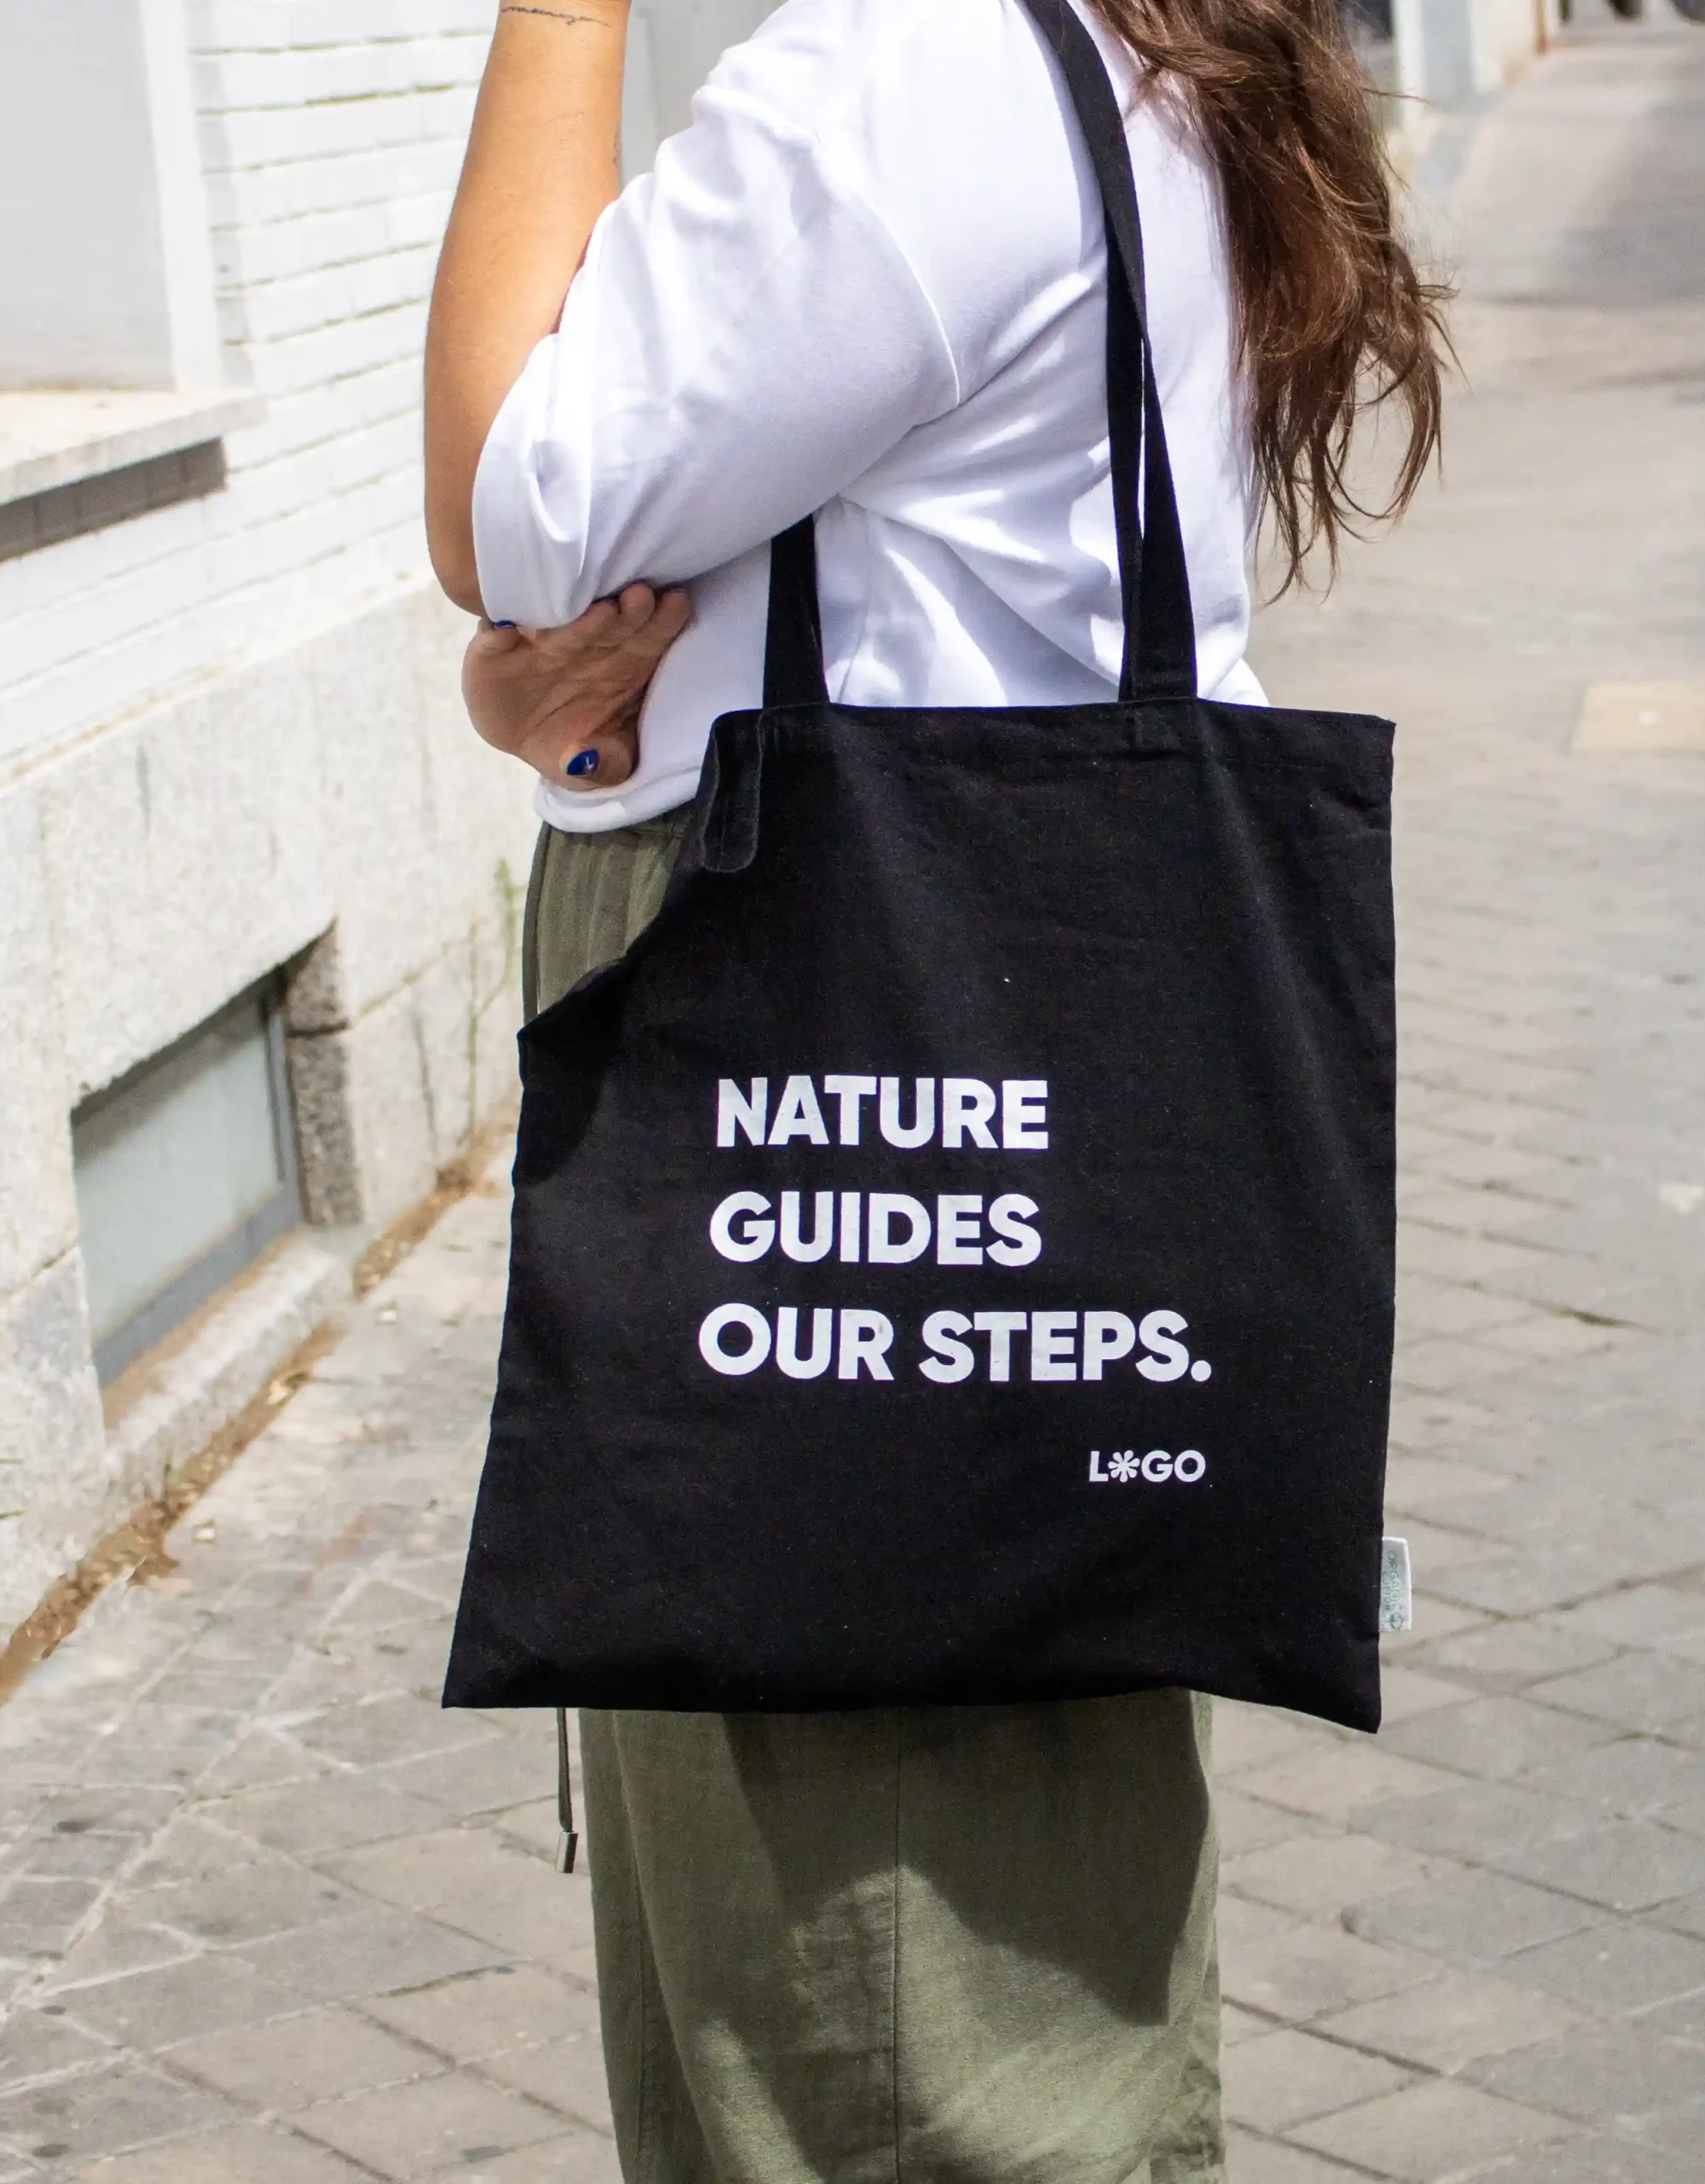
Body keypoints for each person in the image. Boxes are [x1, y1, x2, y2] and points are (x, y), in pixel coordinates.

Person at [422, 0, 1445, 2175]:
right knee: (973, 1950)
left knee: (865, 2013)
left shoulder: (915, 65)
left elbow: (516, 498)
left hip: (846, 1036)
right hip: (986, 1043)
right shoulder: (1090, 57)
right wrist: (576, 691)